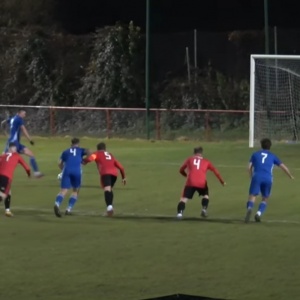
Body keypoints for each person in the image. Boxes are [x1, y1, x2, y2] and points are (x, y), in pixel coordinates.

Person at [245, 138, 294, 223]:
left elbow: (248, 167)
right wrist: (290, 176)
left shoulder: (255, 154)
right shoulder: (273, 156)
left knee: (253, 195)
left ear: (261, 145)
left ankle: (249, 208)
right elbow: (283, 167)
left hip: (256, 177)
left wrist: (251, 176)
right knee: (265, 198)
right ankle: (259, 213)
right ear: (270, 146)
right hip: (268, 178)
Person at [177, 147, 225, 219]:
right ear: (201, 153)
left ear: (194, 153)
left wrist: (186, 175)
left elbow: (181, 170)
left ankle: (180, 213)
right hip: (201, 183)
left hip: (190, 182)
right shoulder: (206, 161)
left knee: (184, 198)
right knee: (205, 195)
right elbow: (215, 171)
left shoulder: (189, 159)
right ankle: (204, 209)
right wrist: (222, 181)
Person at [83, 142, 126, 216]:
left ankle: (109, 208)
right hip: (114, 174)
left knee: (107, 190)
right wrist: (123, 177)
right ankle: (110, 207)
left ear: (98, 148)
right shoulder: (110, 155)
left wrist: (83, 161)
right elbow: (121, 167)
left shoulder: (96, 153)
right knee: (109, 189)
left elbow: (90, 159)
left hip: (105, 173)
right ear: (105, 149)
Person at [1, 109, 43, 178]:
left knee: (31, 154)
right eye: (24, 114)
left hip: (16, 143)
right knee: (4, 158)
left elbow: (3, 123)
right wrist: (30, 140)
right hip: (12, 143)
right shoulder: (19, 119)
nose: (24, 115)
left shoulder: (12, 118)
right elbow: (23, 129)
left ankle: (36, 173)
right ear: (19, 113)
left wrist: (4, 132)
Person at [54, 138, 88, 217]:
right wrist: (85, 160)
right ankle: (68, 209)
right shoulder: (81, 150)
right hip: (76, 171)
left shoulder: (65, 152)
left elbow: (59, 163)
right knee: (75, 190)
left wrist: (63, 171)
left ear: (71, 144)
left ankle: (57, 204)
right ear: (78, 143)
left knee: (63, 191)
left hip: (67, 170)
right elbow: (90, 152)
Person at [0, 142, 31, 217]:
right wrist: (28, 174)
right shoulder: (17, 156)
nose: (15, 149)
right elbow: (27, 167)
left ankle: (7, 210)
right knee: (3, 195)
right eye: (15, 148)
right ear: (12, 148)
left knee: (8, 192)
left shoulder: (3, 155)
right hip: (6, 177)